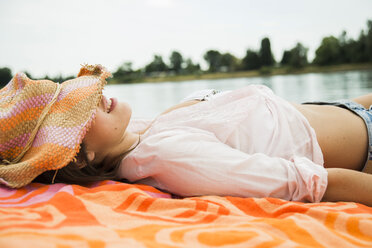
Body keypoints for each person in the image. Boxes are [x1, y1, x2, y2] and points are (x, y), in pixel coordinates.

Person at [1, 64, 372, 206]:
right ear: (80, 157)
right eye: (79, 113)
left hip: (337, 109)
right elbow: (309, 183)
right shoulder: (166, 157)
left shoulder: (137, 133)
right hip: (363, 140)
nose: (96, 95)